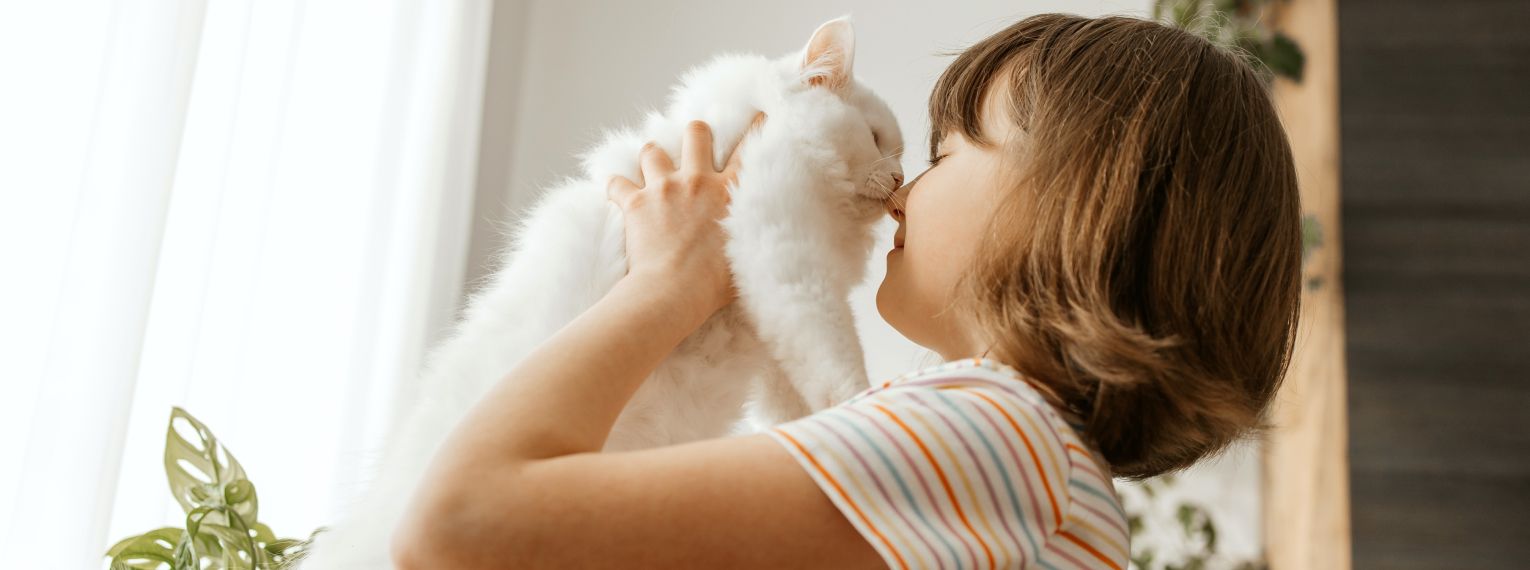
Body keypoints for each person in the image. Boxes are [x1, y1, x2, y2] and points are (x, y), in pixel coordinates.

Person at [391, 13, 1301, 570]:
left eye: (947, 153)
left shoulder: (999, 435)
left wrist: (670, 281)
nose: (902, 190)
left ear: (1082, 207)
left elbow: (455, 525)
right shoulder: (1029, 474)